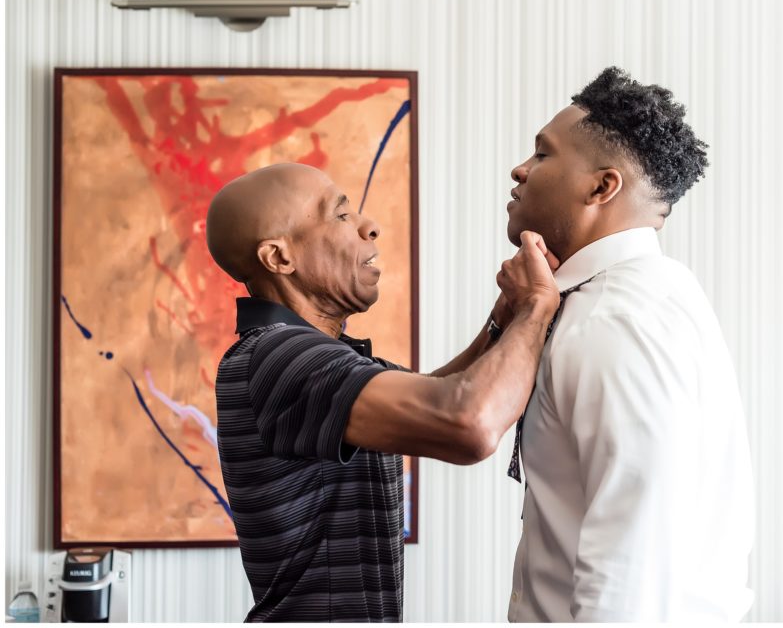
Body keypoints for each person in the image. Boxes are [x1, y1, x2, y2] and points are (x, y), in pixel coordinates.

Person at [207, 162, 558, 622]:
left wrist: (505, 316)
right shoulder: (279, 357)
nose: (369, 227)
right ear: (279, 258)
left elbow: (437, 390)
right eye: (340, 216)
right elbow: (470, 420)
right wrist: (536, 306)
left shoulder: (313, 355)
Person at [503, 67, 754, 622]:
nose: (519, 170)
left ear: (602, 186)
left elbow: (633, 552)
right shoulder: (649, 293)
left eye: (542, 155)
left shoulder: (611, 319)